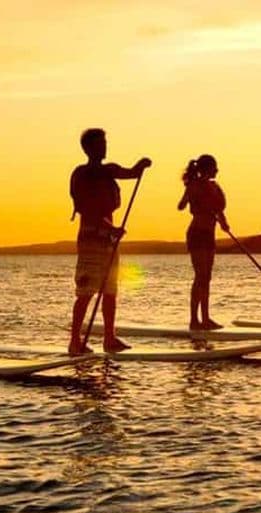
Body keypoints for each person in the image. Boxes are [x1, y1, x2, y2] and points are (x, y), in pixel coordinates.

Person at [67, 128, 151, 355]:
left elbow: (130, 173)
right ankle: (75, 341)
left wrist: (141, 166)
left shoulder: (108, 170)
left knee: (110, 290)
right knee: (86, 290)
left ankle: (109, 338)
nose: (104, 147)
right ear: (88, 148)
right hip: (91, 239)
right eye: (99, 144)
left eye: (105, 143)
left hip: (109, 241)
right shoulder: (82, 174)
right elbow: (87, 208)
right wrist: (109, 227)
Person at [177, 154, 230, 330]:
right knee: (200, 277)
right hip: (197, 234)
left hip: (209, 235)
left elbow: (217, 209)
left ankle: (205, 318)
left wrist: (223, 222)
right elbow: (181, 205)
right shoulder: (194, 185)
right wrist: (190, 193)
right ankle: (194, 320)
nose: (217, 170)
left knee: (206, 278)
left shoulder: (214, 186)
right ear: (207, 168)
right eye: (215, 167)